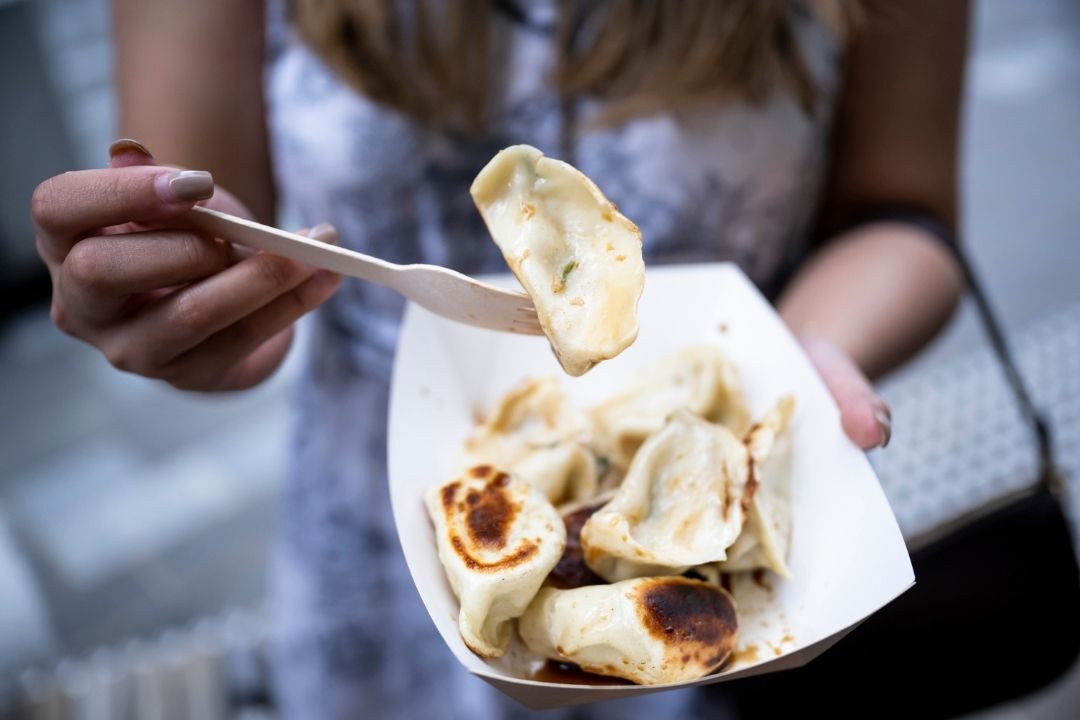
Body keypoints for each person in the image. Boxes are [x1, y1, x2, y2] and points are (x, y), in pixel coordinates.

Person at [30, 0, 968, 717]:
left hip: (752, 540)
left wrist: (806, 358)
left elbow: (903, 211)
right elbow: (206, 224)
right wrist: (175, 299)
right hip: (373, 529)